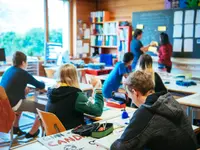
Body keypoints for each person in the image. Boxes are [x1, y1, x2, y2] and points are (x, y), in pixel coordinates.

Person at [111, 71, 197, 150]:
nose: (132, 101)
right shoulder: (168, 99)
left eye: (130, 96)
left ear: (135, 92)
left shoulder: (147, 111)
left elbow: (120, 148)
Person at [0, 51, 45, 138]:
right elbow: (40, 85)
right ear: (23, 62)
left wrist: (22, 89)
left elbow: (12, 87)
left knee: (22, 100)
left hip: (3, 105)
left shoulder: (8, 70)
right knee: (43, 109)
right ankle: (32, 132)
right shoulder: (23, 73)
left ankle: (15, 127)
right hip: (13, 104)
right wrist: (43, 82)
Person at [45, 64, 104, 130]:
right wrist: (98, 89)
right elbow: (98, 111)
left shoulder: (52, 93)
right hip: (72, 133)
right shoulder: (75, 94)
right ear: (75, 77)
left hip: (55, 133)